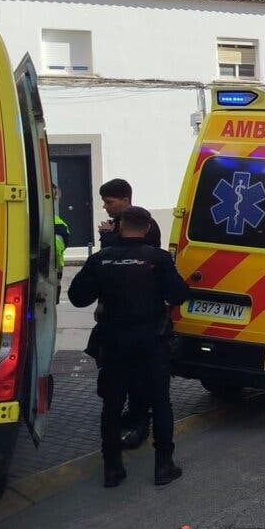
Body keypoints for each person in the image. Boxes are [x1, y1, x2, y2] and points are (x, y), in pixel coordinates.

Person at [68, 206, 190, 487]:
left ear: (120, 226)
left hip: (113, 340)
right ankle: (163, 466)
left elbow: (77, 297)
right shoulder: (157, 259)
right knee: (160, 402)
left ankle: (112, 469)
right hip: (151, 340)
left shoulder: (101, 259)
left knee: (111, 405)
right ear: (147, 228)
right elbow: (179, 294)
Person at [95, 178, 162, 450]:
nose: (105, 207)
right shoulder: (115, 227)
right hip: (115, 315)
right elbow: (104, 270)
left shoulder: (143, 225)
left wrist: (110, 237)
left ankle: (140, 421)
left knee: (140, 376)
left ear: (125, 199)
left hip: (141, 315)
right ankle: (126, 415)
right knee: (113, 372)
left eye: (109, 202)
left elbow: (132, 258)